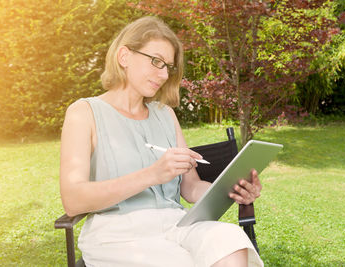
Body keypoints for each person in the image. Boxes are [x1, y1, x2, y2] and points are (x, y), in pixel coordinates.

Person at [60, 16, 264, 267]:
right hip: (117, 235)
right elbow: (73, 200)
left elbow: (190, 188)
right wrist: (153, 174)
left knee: (230, 239)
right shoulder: (84, 113)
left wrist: (233, 190)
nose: (164, 74)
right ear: (124, 56)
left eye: (168, 66)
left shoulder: (165, 114)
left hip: (174, 224)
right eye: (156, 61)